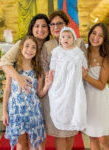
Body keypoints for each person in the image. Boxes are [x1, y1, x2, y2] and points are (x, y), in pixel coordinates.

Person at [40, 10, 87, 150]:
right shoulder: (48, 46)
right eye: (52, 24)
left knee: (71, 130)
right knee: (60, 133)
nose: (56, 27)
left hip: (73, 92)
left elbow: (85, 65)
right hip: (56, 94)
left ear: (67, 24)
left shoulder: (78, 43)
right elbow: (44, 69)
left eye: (59, 23)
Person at [3, 35, 53, 150]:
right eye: (27, 46)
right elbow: (7, 91)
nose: (29, 50)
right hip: (16, 111)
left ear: (36, 51)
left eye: (33, 47)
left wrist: (47, 85)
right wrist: (4, 112)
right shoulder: (13, 68)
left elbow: (39, 94)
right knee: (21, 144)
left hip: (33, 111)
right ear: (21, 48)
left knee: (33, 144)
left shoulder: (38, 70)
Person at [82, 23, 109, 150]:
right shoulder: (83, 52)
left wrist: (86, 77)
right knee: (92, 136)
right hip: (87, 99)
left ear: (104, 39)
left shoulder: (105, 58)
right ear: (90, 34)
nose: (96, 37)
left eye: (100, 35)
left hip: (100, 99)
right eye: (94, 33)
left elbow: (102, 85)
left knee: (104, 138)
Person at [0, 13, 50, 93]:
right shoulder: (21, 44)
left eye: (44, 26)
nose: (40, 29)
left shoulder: (50, 46)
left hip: (44, 92)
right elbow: (4, 62)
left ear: (48, 29)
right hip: (24, 91)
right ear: (31, 28)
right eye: (37, 26)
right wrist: (19, 78)